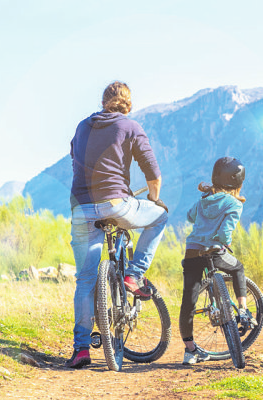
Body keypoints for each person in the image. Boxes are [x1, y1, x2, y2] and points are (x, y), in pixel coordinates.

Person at [66, 81, 170, 369]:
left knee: (85, 280)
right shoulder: (130, 127)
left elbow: (75, 159)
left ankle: (81, 349)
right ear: (128, 104)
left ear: (103, 102)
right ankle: (133, 275)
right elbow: (153, 174)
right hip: (116, 203)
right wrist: (154, 199)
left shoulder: (82, 127)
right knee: (160, 217)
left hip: (81, 207)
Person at [178, 156, 255, 365]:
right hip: (214, 252)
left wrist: (206, 200)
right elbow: (224, 234)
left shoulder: (203, 200)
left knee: (189, 299)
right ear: (239, 182)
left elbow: (189, 217)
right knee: (238, 268)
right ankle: (243, 310)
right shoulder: (234, 204)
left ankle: (190, 350)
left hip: (193, 251)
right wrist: (225, 242)